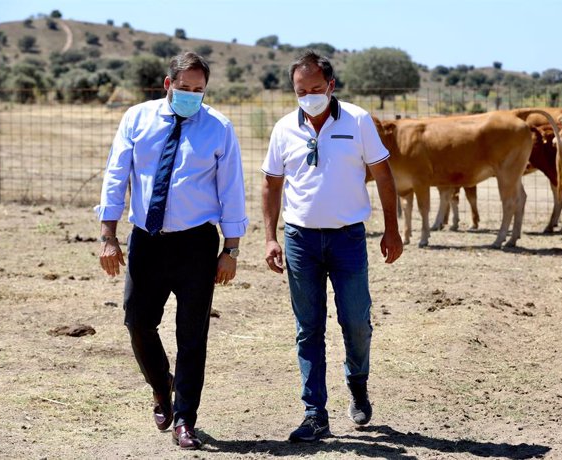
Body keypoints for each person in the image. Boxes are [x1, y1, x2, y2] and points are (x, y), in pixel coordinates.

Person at [96, 51, 248, 450]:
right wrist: (108, 235)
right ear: (168, 85)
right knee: (137, 321)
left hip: (197, 244)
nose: (191, 96)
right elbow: (116, 175)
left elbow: (231, 189)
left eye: (199, 90)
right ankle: (162, 386)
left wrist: (231, 248)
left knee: (192, 335)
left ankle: (185, 419)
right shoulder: (137, 119)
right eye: (184, 88)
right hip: (147, 241)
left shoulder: (219, 128)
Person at [261, 50, 403, 442]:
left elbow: (384, 176)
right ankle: (314, 414)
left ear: (332, 86)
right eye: (301, 90)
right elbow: (272, 184)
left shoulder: (357, 121)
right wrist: (271, 236)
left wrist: (392, 230)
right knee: (308, 328)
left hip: (347, 238)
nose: (309, 96)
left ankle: (357, 383)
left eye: (316, 88)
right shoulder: (284, 128)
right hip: (300, 240)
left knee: (356, 321)